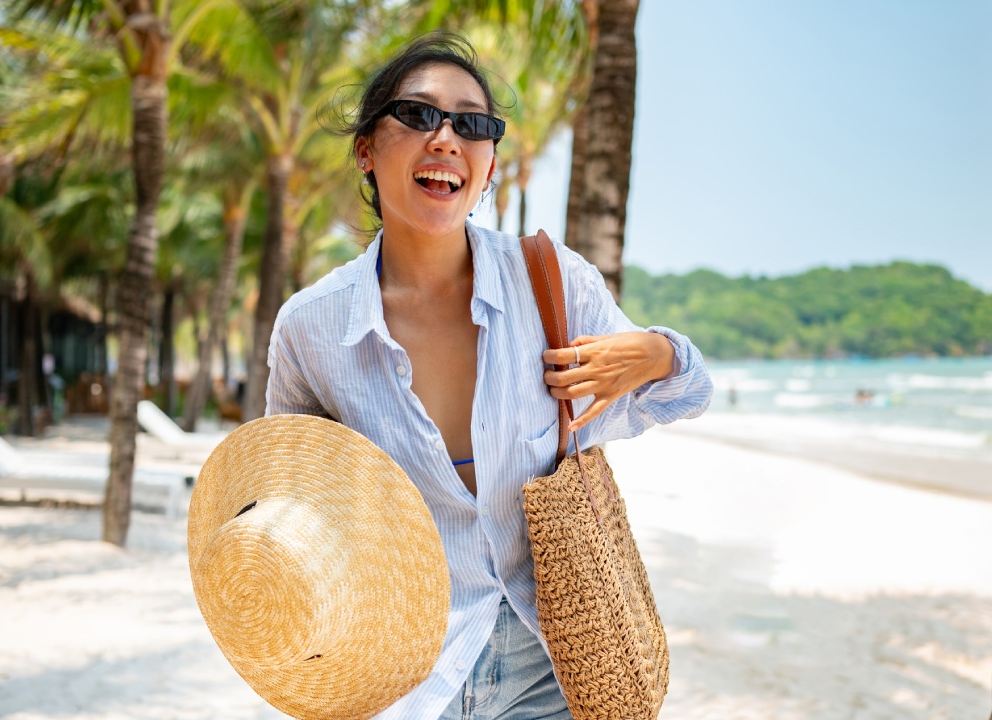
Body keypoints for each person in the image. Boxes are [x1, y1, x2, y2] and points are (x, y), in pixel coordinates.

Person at [265, 32, 713, 720]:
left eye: (472, 124)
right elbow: (292, 507)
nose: (446, 137)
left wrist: (658, 351)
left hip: (561, 664)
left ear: (490, 164)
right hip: (404, 678)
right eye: (418, 115)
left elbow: (691, 391)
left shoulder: (550, 282)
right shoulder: (311, 329)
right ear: (366, 149)